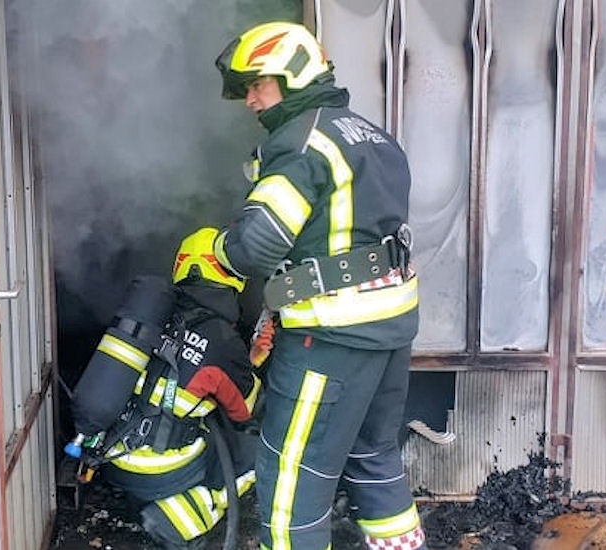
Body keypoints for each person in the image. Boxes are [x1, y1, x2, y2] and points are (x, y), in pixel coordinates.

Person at [212, 21, 427, 550]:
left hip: (330, 337)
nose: (250, 101)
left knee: (292, 482)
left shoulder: (300, 143)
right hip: (390, 329)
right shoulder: (371, 136)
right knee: (373, 459)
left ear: (293, 75)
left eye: (257, 85)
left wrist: (216, 249)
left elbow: (257, 246)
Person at [69, 227, 261, 550]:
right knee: (258, 455)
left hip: (111, 460)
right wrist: (251, 364)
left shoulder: (147, 314)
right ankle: (177, 518)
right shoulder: (222, 339)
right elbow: (245, 411)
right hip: (162, 474)